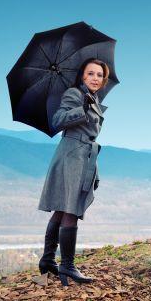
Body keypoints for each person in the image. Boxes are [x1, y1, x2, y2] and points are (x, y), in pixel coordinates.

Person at [37, 58, 110, 286]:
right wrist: (82, 109)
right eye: (91, 74)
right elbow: (58, 120)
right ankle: (67, 266)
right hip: (71, 156)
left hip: (83, 157)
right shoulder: (74, 95)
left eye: (99, 75)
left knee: (61, 209)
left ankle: (48, 260)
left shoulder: (94, 98)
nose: (95, 78)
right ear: (82, 76)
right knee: (70, 208)